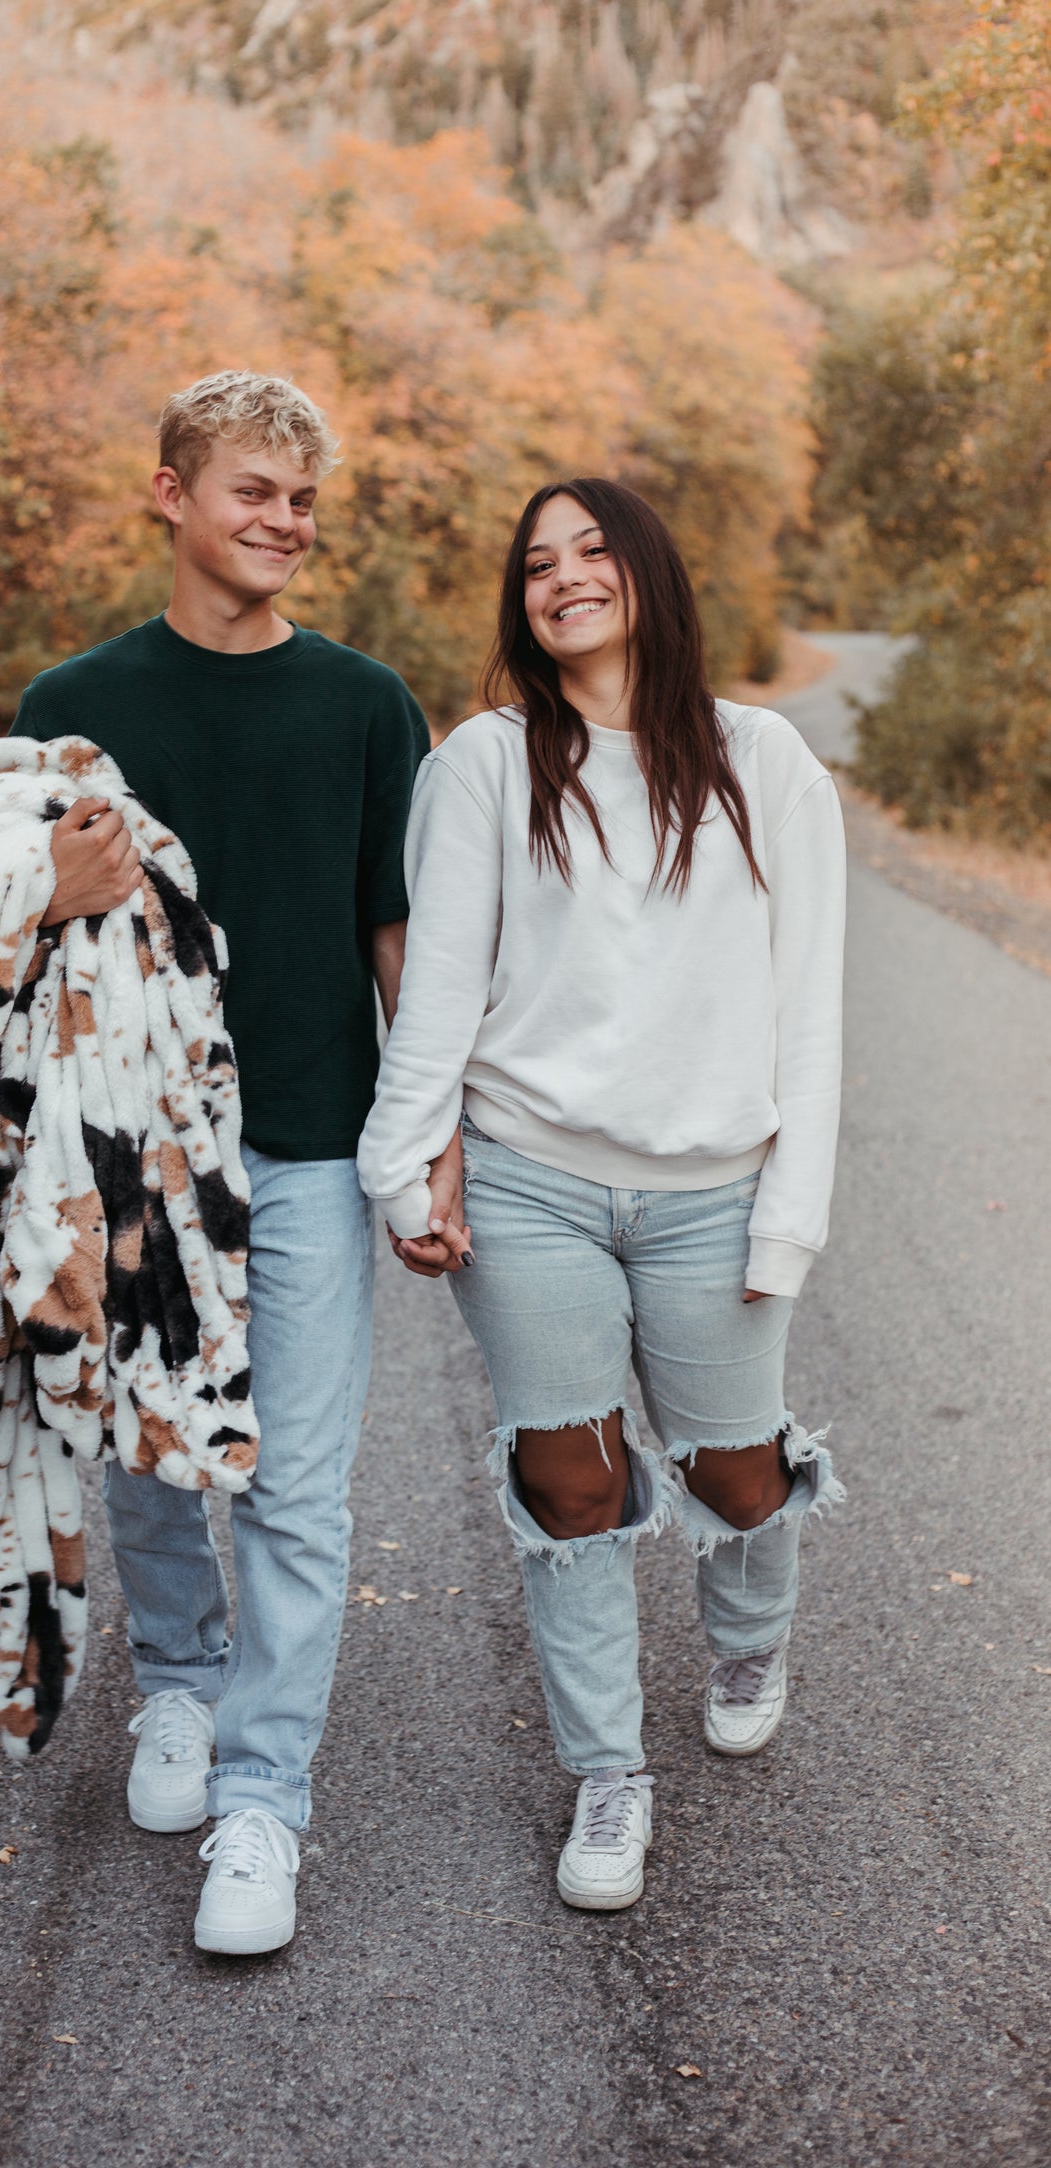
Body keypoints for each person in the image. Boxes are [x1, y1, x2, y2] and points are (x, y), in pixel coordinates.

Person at [357, 478, 846, 1911]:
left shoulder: (764, 761)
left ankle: (748, 1630)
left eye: (587, 551)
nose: (559, 577)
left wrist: (788, 1216)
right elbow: (437, 996)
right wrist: (406, 1167)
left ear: (644, 572)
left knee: (729, 1468)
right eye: (533, 565)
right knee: (566, 1480)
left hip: (715, 1188)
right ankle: (607, 1777)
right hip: (531, 1182)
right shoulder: (486, 765)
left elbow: (807, 1011)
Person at [11, 370, 428, 1953]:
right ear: (170, 496)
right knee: (147, 1443)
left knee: (299, 1488)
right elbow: (4, 947)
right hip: (128, 1145)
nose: (285, 523)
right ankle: (177, 1687)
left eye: (304, 501)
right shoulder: (75, 699)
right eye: (254, 491)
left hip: (313, 1140)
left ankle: (265, 1799)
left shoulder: (367, 705)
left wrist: (422, 1145)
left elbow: (396, 935)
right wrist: (52, 892)